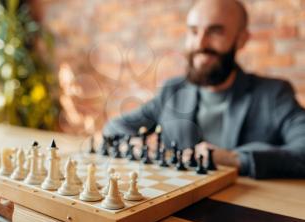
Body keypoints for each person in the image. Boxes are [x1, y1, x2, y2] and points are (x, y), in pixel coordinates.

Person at [103, 0, 305, 179]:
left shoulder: (274, 94)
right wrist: (136, 145)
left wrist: (236, 159)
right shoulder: (172, 90)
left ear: (241, 39)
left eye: (215, 31)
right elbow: (115, 128)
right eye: (193, 31)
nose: (200, 43)